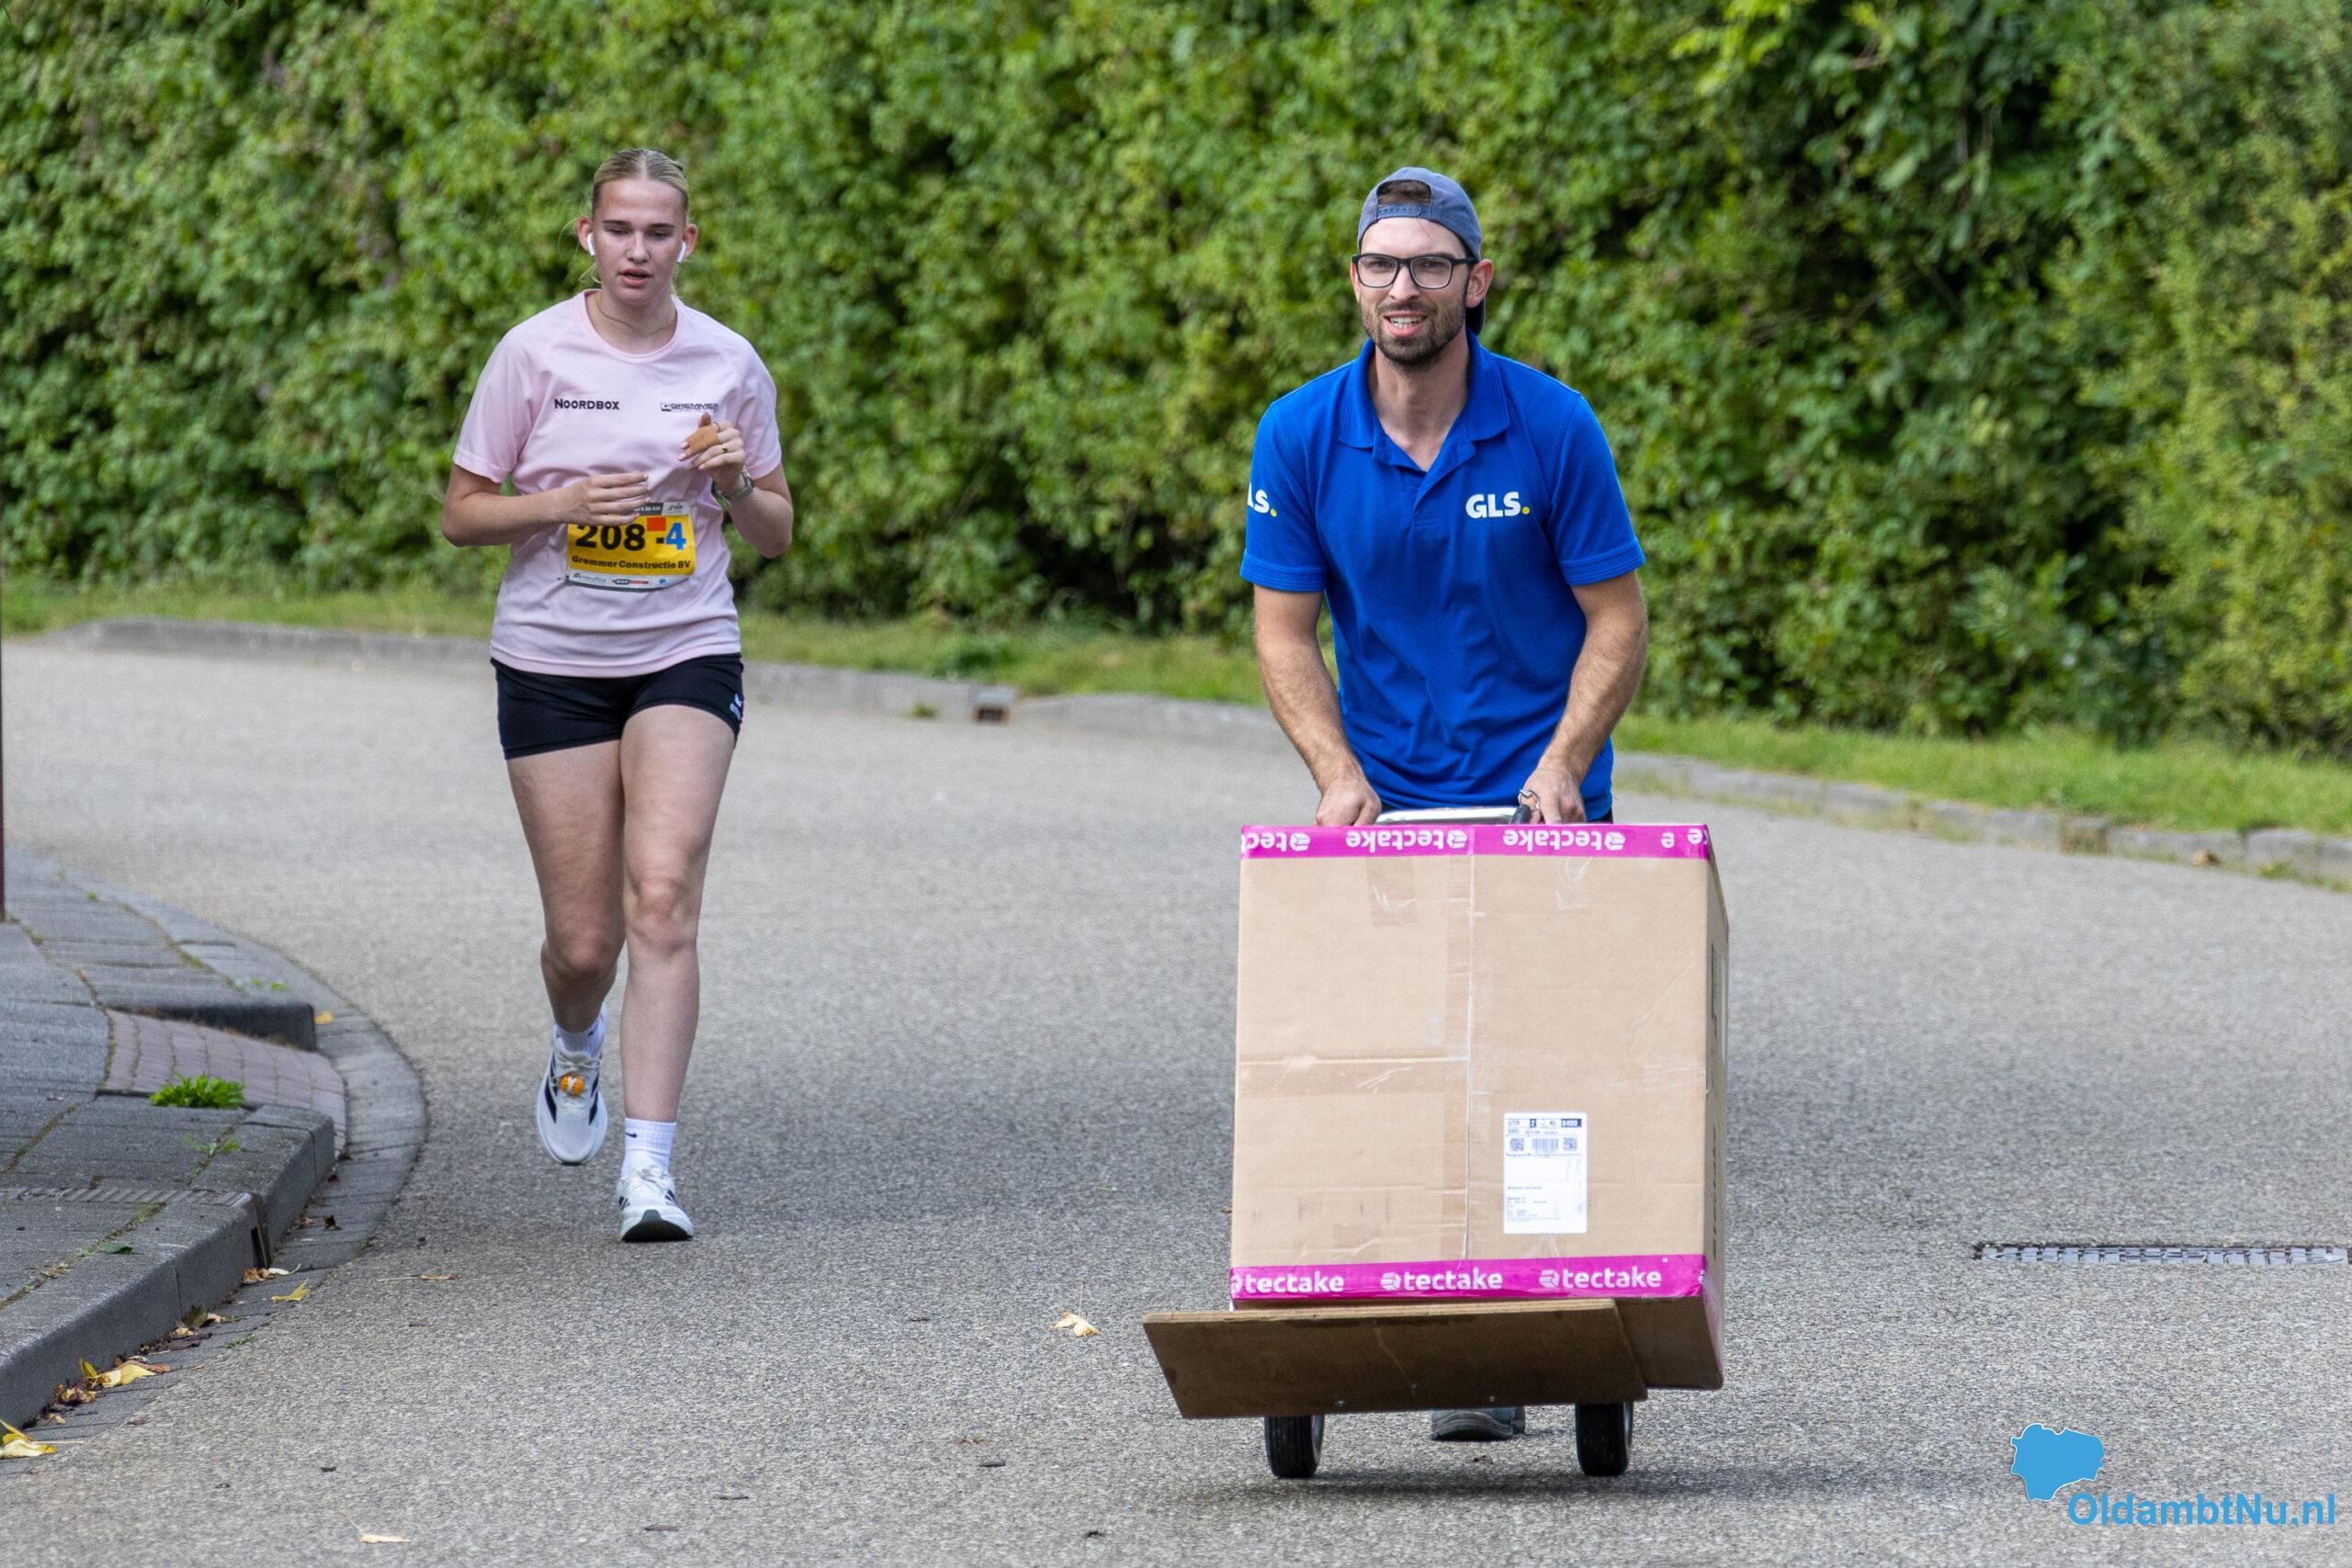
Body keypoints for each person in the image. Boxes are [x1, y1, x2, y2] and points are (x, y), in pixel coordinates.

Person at [1240, 167, 1650, 1438]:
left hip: (1539, 810)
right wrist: (1336, 775)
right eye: (1382, 264)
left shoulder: (1551, 427)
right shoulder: (1301, 433)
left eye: (1429, 264)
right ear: (1355, 281)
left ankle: (1524, 1335)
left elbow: (1617, 619)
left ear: (1476, 282)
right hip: (1388, 813)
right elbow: (1283, 632)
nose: (1403, 286)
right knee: (1388, 1071)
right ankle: (1387, 1306)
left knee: (1538, 1085)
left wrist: (1565, 763)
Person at [439, 148, 794, 1242]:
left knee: (663, 897)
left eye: (659, 232)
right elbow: (462, 513)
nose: (638, 251)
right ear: (586, 236)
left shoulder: (727, 361)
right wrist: (560, 504)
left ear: (688, 242)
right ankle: (574, 1042)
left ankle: (650, 1170)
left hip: (685, 647)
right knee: (586, 944)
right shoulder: (533, 353)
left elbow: (776, 531)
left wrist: (734, 480)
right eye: (620, 230)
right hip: (551, 658)